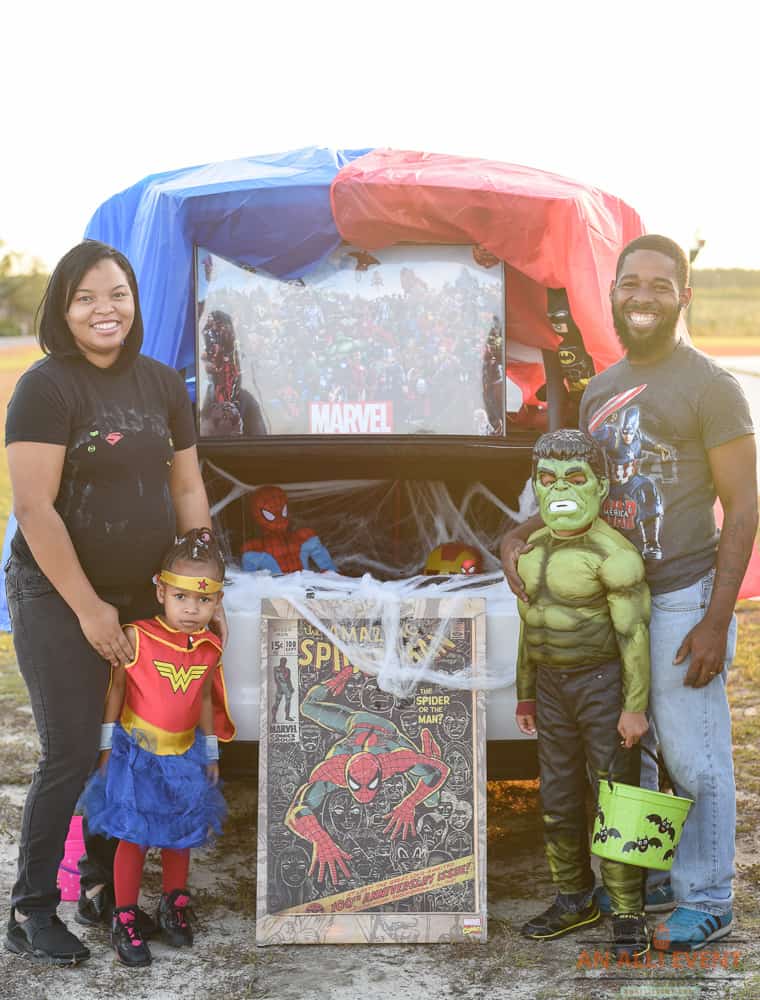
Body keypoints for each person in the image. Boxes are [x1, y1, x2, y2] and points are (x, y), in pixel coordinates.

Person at [502, 235, 757, 952]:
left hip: (682, 595)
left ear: (684, 296)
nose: (642, 295)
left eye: (659, 284)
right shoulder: (603, 389)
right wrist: (518, 532)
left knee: (693, 753)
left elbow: (743, 508)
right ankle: (649, 875)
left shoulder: (712, 387)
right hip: (614, 601)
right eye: (629, 283)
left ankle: (708, 897)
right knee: (633, 751)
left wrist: (715, 620)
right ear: (611, 292)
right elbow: (585, 488)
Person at [4, 241, 226, 965]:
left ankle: (102, 885)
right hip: (58, 592)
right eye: (87, 297)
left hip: (143, 596)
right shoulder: (46, 388)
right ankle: (31, 907)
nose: (106, 309)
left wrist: (198, 582)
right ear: (62, 310)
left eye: (119, 294)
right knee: (72, 750)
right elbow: (35, 509)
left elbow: (189, 488)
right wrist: (91, 611)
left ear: (136, 301)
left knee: (122, 751)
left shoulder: (163, 384)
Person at [515, 429, 650, 959]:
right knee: (557, 798)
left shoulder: (613, 555)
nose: (560, 490)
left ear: (600, 485)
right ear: (535, 485)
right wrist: (526, 694)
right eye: (547, 479)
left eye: (574, 478)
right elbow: (530, 626)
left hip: (601, 682)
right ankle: (574, 899)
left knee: (616, 799)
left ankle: (628, 912)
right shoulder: (531, 551)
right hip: (551, 686)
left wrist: (634, 706)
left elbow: (633, 634)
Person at [80, 528, 234, 967]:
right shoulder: (138, 636)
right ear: (161, 590)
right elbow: (116, 692)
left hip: (184, 756)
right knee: (134, 835)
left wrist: (210, 752)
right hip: (138, 756)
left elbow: (204, 697)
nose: (192, 609)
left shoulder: (209, 646)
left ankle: (174, 902)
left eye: (203, 601)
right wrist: (107, 748)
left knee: (179, 833)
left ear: (217, 601)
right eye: (182, 597)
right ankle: (124, 915)